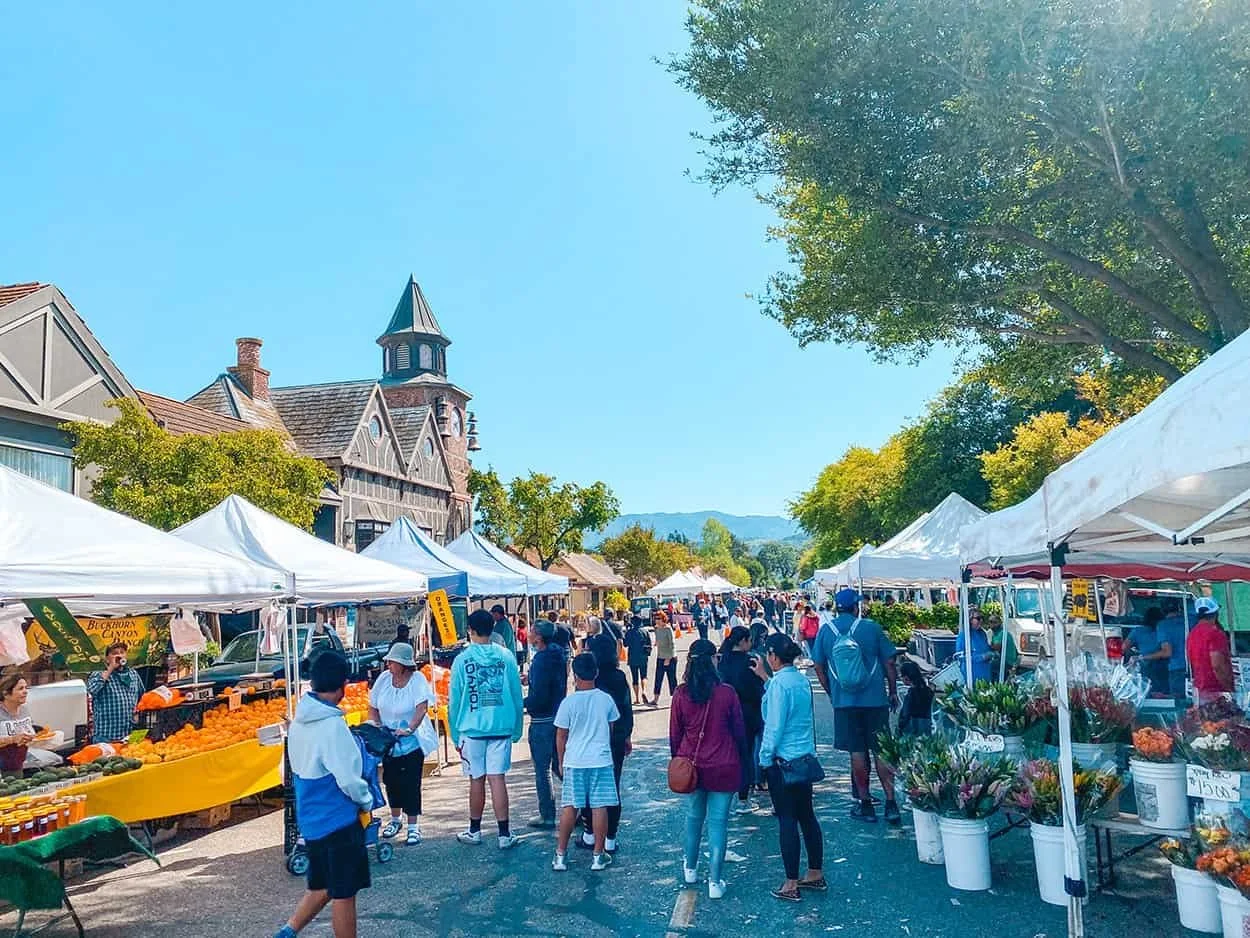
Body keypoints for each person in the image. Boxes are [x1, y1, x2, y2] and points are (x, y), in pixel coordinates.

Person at [276, 652, 373, 938]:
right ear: (343, 685)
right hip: (338, 819)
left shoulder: (299, 721)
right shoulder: (332, 725)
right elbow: (348, 779)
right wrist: (366, 801)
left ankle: (288, 931)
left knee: (322, 885)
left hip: (311, 818)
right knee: (344, 892)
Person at [811, 588, 901, 825]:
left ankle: (865, 803)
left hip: (845, 702)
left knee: (857, 753)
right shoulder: (871, 628)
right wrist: (892, 691)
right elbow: (889, 661)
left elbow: (818, 666)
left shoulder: (826, 631)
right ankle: (891, 802)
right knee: (882, 751)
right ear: (855, 607)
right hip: (875, 700)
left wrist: (831, 692)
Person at [669, 639, 746, 900]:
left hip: (692, 764)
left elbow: (675, 734)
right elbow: (739, 731)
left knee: (693, 818)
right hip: (724, 763)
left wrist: (678, 760)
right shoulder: (726, 693)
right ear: (712, 660)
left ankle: (690, 869)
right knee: (718, 823)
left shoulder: (681, 694)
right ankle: (715, 881)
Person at [755, 633, 825, 902]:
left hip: (782, 762)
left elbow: (773, 726)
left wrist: (764, 759)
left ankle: (790, 882)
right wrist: (766, 679)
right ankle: (815, 872)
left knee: (787, 819)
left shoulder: (778, 685)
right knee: (807, 816)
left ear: (773, 655)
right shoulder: (800, 680)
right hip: (803, 759)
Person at [448, 609, 525, 849]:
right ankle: (504, 834)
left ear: (470, 630)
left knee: (476, 779)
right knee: (497, 779)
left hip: (471, 729)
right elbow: (516, 693)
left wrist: (455, 734)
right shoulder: (506, 656)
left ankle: (475, 830)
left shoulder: (462, 660)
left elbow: (455, 700)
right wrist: (517, 728)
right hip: (501, 726)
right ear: (492, 629)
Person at [552, 653, 620, 872]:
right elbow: (611, 729)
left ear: (575, 675)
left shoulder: (568, 702)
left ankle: (560, 855)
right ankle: (598, 856)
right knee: (600, 806)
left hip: (575, 760)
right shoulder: (606, 700)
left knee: (570, 807)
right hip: (600, 759)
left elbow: (561, 735)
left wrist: (561, 761)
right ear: (596, 672)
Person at [367, 643, 437, 846]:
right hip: (389, 742)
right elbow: (373, 706)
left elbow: (421, 708)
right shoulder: (383, 679)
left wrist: (410, 728)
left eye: (392, 661)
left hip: (411, 742)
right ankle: (395, 818)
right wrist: (377, 726)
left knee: (411, 783)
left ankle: (413, 825)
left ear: (404, 664)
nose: (388, 664)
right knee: (391, 781)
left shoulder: (417, 680)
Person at [575, 637, 634, 854]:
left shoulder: (589, 680)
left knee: (588, 789)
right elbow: (626, 709)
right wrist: (626, 735)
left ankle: (589, 834)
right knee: (612, 787)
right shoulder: (619, 677)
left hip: (590, 740)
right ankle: (610, 837)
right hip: (615, 739)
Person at [523, 619, 568, 829]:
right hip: (558, 716)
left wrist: (523, 703)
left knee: (543, 769)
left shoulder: (541, 660)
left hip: (542, 719)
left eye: (531, 631)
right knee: (559, 765)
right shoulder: (558, 655)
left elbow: (540, 696)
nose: (529, 634)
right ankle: (582, 805)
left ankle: (547, 814)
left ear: (539, 637)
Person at [718, 626, 765, 813]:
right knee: (746, 755)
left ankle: (725, 796)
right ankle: (743, 797)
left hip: (726, 712)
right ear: (743, 641)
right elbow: (758, 690)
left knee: (729, 754)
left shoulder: (722, 660)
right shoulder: (751, 661)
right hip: (748, 712)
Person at [86, 642, 144, 743]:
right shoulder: (99, 673)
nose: (119, 655)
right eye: (114, 653)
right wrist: (111, 668)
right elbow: (92, 689)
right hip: (106, 736)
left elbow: (142, 696)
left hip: (129, 734)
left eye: (122, 652)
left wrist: (137, 711)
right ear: (107, 659)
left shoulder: (133, 673)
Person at [1187, 597, 1233, 705]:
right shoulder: (1215, 634)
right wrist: (1228, 689)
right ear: (1216, 613)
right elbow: (1217, 665)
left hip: (1200, 689)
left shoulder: (1192, 634)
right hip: (1216, 691)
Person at [1125, 608, 1170, 695]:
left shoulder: (1137, 631)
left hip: (1145, 665)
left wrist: (1135, 655)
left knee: (1147, 691)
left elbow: (1124, 647)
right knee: (1164, 694)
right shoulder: (1163, 630)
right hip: (1163, 665)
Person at [0, 674, 37, 775]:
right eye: (20, 688)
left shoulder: (24, 710)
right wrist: (12, 739)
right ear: (6, 693)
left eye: (26, 688)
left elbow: (29, 733)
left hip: (16, 767)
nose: (25, 691)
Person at [1157, 598, 1189, 702]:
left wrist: (1143, 657)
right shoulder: (1191, 620)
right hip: (1196, 668)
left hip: (1177, 671)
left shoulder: (1163, 625)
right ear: (1179, 608)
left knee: (1178, 703)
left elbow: (1167, 652)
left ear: (1163, 611)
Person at [954, 610, 993, 684]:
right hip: (971, 674)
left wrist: (991, 653)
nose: (981, 620)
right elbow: (960, 656)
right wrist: (981, 657)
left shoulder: (982, 633)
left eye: (982, 618)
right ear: (970, 620)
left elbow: (985, 648)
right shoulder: (963, 636)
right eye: (978, 618)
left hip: (985, 673)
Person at [897, 659, 934, 736]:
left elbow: (906, 714)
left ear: (906, 677)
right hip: (926, 727)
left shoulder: (911, 694)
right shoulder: (928, 691)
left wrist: (900, 727)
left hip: (912, 729)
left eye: (901, 676)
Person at [623, 615, 654, 706]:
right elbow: (649, 644)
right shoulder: (645, 631)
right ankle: (644, 691)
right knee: (644, 676)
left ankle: (637, 698)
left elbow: (625, 644)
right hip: (643, 656)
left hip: (632, 657)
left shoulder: (629, 632)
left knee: (635, 678)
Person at [651, 612, 679, 704]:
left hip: (670, 657)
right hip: (660, 656)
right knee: (658, 678)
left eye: (659, 618)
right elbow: (657, 640)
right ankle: (655, 699)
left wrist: (668, 658)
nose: (657, 620)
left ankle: (675, 699)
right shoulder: (656, 629)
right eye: (656, 618)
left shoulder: (668, 629)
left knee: (672, 679)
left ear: (663, 619)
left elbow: (672, 644)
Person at [986, 613, 1018, 680]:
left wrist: (985, 646)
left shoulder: (1002, 633)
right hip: (1003, 660)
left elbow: (996, 647)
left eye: (995, 622)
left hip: (1007, 662)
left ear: (1000, 623)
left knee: (987, 665)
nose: (992, 624)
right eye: (990, 622)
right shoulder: (995, 634)